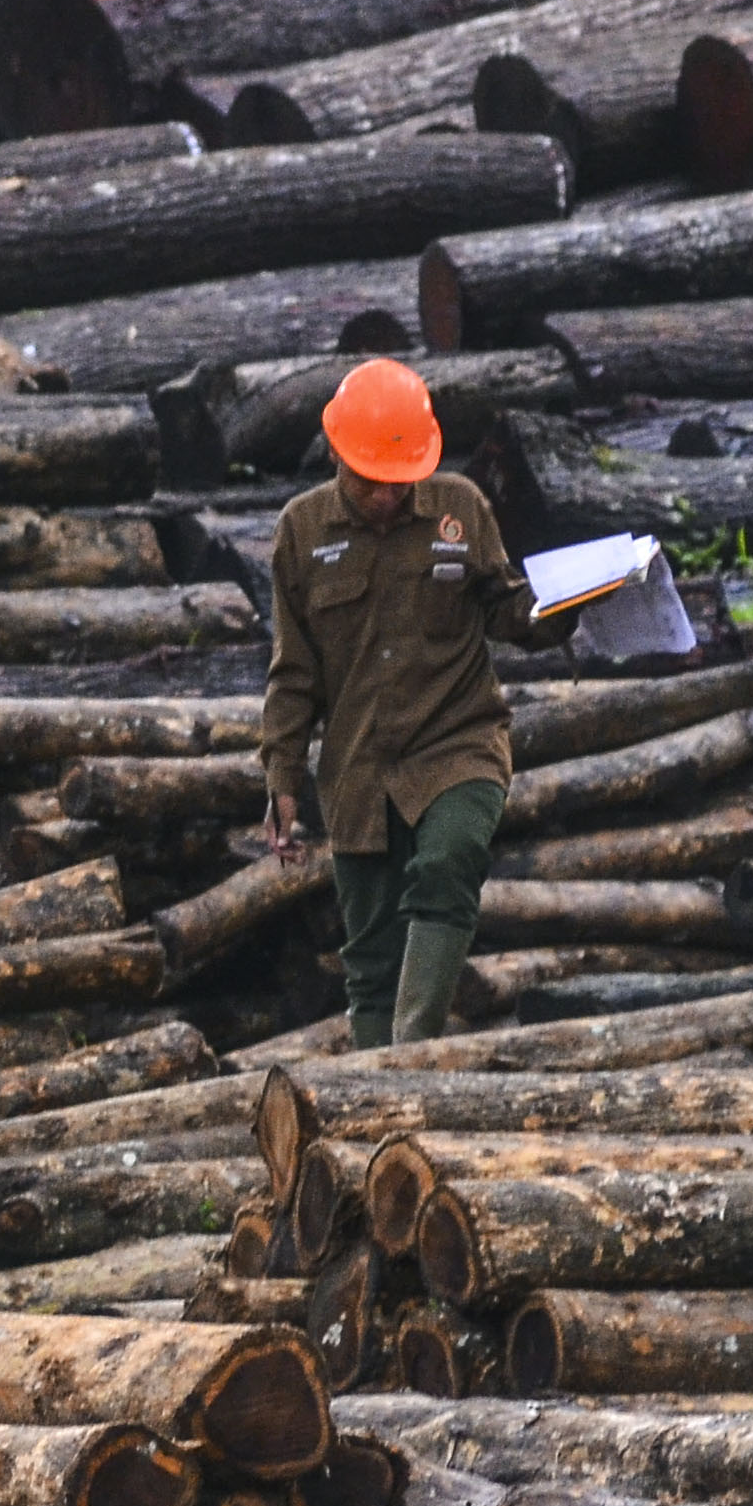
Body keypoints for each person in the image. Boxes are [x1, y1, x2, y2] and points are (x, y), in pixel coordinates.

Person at [259, 356, 539, 1049]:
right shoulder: (302, 532)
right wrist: (282, 779)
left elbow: (509, 612)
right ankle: (379, 1097)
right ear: (334, 454)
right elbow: (293, 673)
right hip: (357, 770)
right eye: (372, 481)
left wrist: (566, 606)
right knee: (372, 961)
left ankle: (411, 1056)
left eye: (400, 481)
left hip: (458, 743)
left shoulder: (461, 509)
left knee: (448, 861)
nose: (388, 496)